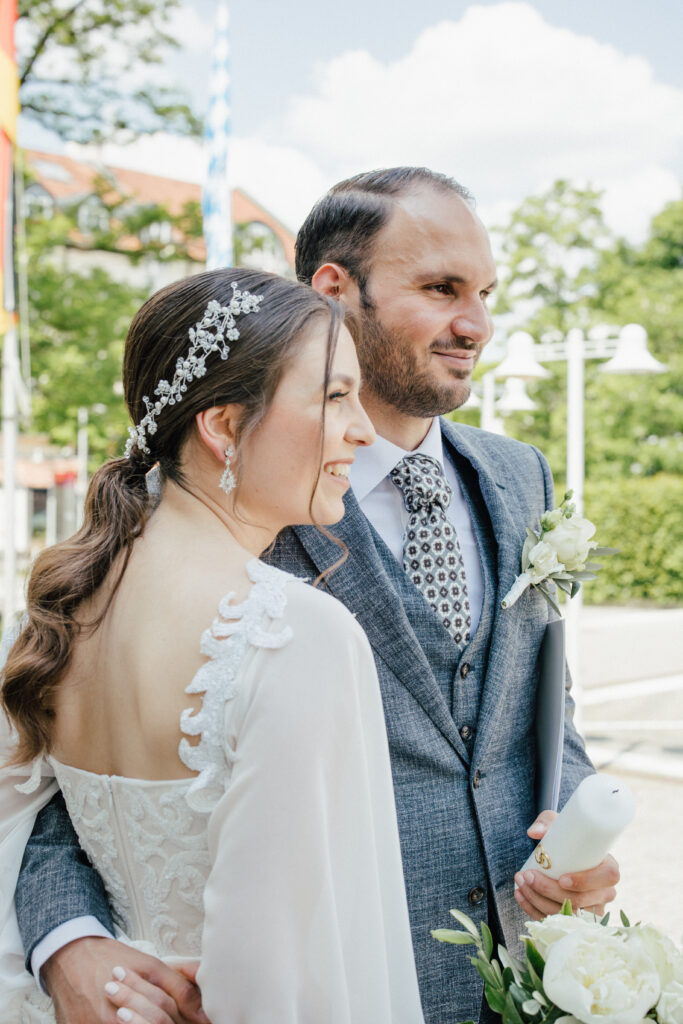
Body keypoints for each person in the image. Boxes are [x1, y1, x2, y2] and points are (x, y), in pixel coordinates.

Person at [11, 168, 619, 1024]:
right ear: (335, 289)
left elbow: (536, 717)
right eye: (440, 288)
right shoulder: (212, 522)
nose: (475, 324)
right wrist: (65, 943)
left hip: (519, 982)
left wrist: (574, 833)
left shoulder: (521, 477)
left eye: (485, 292)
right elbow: (64, 794)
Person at [0, 268, 427, 1023]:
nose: (363, 430)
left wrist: (66, 951)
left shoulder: (54, 617)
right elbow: (272, 977)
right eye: (333, 397)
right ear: (223, 426)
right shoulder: (290, 634)